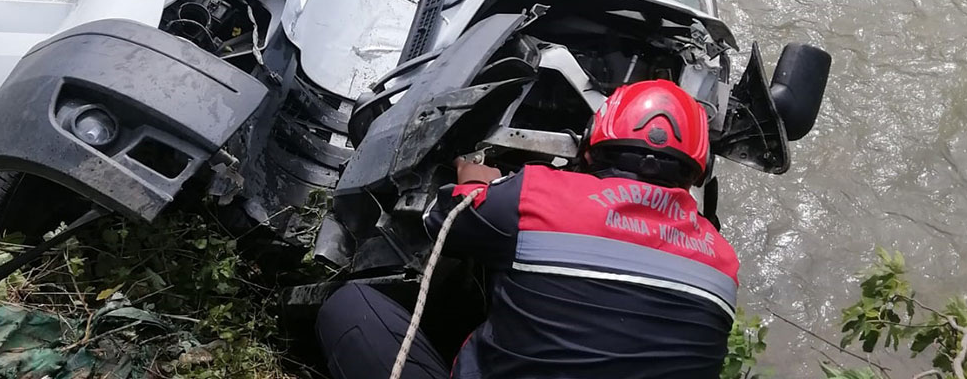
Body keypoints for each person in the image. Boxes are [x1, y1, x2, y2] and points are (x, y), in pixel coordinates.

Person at [316, 80, 740, 379]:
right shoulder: (723, 266)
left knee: (351, 305)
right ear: (698, 173)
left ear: (591, 143)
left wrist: (475, 178)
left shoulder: (538, 194)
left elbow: (439, 218)